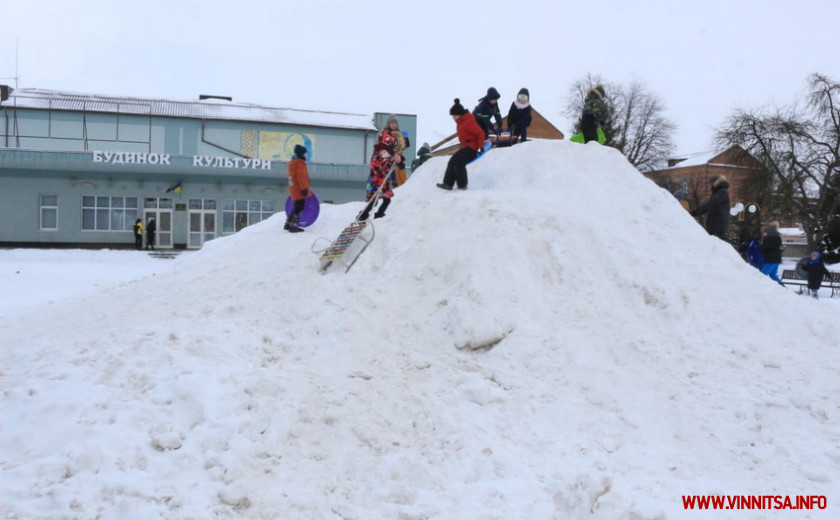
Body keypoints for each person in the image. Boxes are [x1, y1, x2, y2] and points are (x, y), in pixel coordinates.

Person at [357, 114, 405, 221]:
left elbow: (397, 149)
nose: (394, 124)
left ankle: (377, 216)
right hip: (378, 170)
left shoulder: (397, 136)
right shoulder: (385, 134)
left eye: (395, 123)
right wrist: (395, 155)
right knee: (375, 198)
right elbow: (384, 148)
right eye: (392, 123)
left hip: (385, 171)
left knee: (386, 199)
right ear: (388, 124)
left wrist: (399, 158)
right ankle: (364, 215)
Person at [436, 98, 485, 191]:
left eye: (454, 115)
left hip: (473, 148)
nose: (453, 117)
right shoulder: (460, 122)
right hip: (465, 147)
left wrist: (480, 148)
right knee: (452, 161)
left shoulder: (468, 121)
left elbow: (480, 134)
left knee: (459, 162)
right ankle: (448, 184)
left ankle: (462, 185)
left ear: (460, 114)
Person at [690, 175, 730, 240]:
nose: (710, 185)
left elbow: (710, 204)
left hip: (717, 225)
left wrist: (694, 213)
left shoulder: (722, 192)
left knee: (715, 243)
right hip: (715, 224)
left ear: (716, 182)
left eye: (711, 183)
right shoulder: (718, 192)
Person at [285, 144, 311, 233]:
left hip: (294, 188)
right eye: (305, 153)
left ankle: (288, 223)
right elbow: (301, 177)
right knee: (300, 207)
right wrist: (304, 188)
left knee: (297, 206)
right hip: (299, 189)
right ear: (301, 154)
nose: (306, 155)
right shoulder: (300, 163)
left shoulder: (293, 163)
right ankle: (293, 225)